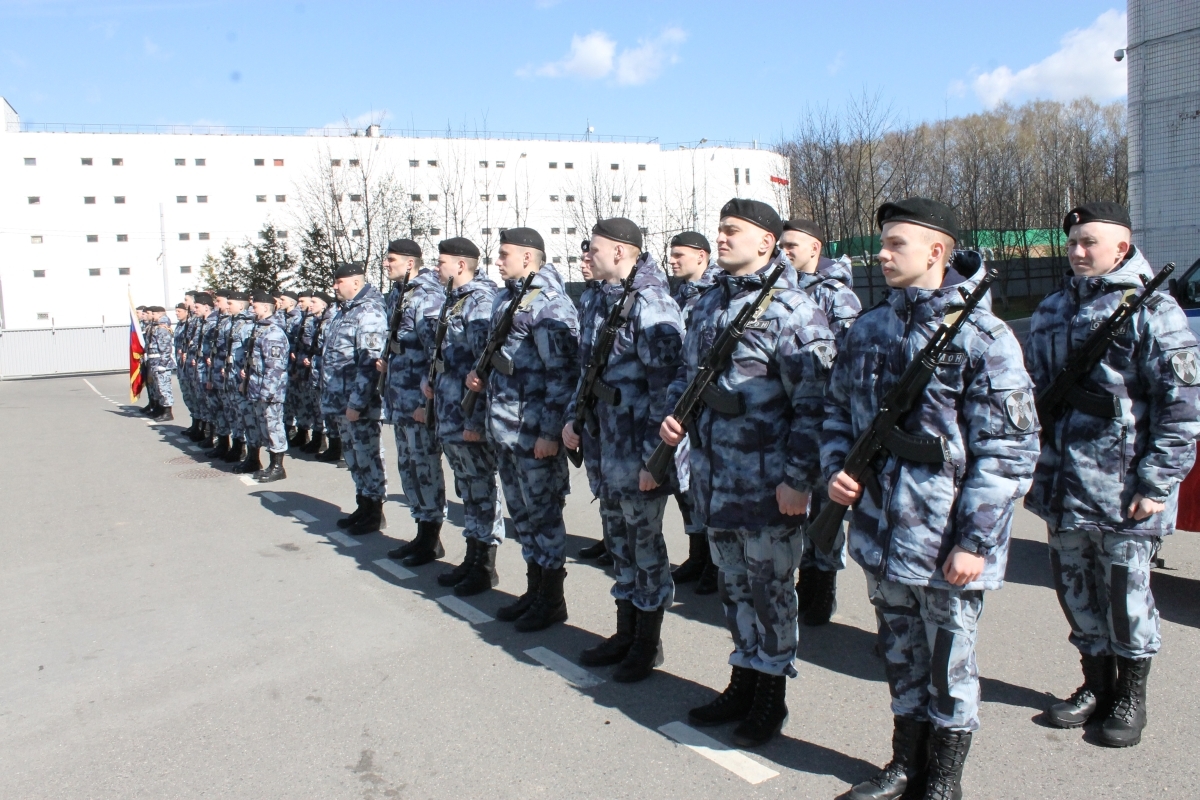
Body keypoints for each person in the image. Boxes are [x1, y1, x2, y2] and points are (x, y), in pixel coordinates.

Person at [823, 198, 1038, 800]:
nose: (883, 255)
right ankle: (904, 761)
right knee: (899, 650)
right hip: (880, 530)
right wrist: (836, 471)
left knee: (950, 661)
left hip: (947, 537)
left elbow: (1008, 451)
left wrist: (975, 540)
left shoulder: (984, 336)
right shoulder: (868, 327)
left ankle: (943, 778)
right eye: (883, 244)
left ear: (936, 252)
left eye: (897, 245)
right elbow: (837, 412)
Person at [659, 199, 834, 747]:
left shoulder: (792, 310)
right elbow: (687, 375)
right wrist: (673, 417)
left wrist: (799, 479)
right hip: (716, 478)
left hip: (768, 485)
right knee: (734, 589)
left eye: (732, 231)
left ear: (765, 242)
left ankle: (770, 697)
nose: (722, 238)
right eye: (720, 231)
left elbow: (814, 404)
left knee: (771, 592)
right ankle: (742, 678)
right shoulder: (710, 302)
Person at [1025, 202, 1200, 748]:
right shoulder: (1053, 308)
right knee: (1075, 589)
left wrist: (1156, 484)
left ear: (1121, 248)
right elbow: (1033, 393)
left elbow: (1181, 408)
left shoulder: (1154, 310)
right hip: (1062, 484)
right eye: (1073, 242)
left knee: (1126, 594)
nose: (1078, 252)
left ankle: (1130, 694)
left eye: (1090, 243)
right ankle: (1094, 683)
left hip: (1123, 487)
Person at [563, 218, 685, 682]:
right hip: (603, 446)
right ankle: (625, 631)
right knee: (618, 544)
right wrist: (574, 419)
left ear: (620, 252)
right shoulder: (598, 299)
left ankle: (646, 643)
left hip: (637, 453)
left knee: (645, 547)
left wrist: (656, 459)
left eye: (593, 249)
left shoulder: (652, 305)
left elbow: (669, 390)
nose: (586, 255)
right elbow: (587, 370)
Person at [465, 227, 579, 632]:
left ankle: (552, 599)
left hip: (534, 436)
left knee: (544, 516)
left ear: (528, 258)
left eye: (505, 254)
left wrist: (550, 433)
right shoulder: (507, 298)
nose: (498, 261)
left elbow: (563, 375)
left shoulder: (550, 304)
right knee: (524, 516)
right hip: (507, 432)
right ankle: (534, 591)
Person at [779, 218, 864, 627]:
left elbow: (848, 358)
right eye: (782, 245)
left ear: (815, 248)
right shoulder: (781, 292)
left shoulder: (836, 296)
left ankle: (822, 585)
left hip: (829, 414)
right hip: (796, 413)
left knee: (825, 507)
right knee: (800, 504)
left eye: (793, 245)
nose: (785, 251)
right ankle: (804, 580)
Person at [428, 237, 506, 596]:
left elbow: (482, 367)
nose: (436, 266)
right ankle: (472, 556)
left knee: (481, 488)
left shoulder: (479, 302)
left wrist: (475, 422)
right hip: (449, 409)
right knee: (468, 489)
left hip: (467, 415)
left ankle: (485, 564)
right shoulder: (454, 300)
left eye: (442, 261)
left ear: (461, 265)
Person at [374, 239, 448, 565]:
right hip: (399, 400)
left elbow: (438, 353)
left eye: (391, 260)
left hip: (418, 402)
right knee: (408, 467)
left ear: (409, 263)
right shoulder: (398, 295)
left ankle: (431, 538)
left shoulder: (428, 297)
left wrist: (425, 402)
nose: (385, 264)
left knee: (425, 467)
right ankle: (422, 532)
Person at [665, 231, 722, 595]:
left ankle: (714, 563)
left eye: (679, 255)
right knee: (685, 485)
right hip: (682, 401)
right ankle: (697, 553)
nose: (672, 261)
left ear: (701, 257)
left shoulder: (715, 295)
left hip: (704, 407)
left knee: (702, 484)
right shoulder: (681, 294)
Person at [322, 262, 389, 533]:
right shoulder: (344, 311)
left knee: (367, 455)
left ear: (356, 282)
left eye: (340, 282)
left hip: (358, 404)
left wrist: (357, 403)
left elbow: (369, 362)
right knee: (352, 456)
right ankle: (363, 505)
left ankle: (374, 511)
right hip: (341, 401)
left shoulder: (369, 312)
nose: (335, 287)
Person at [573, 254, 615, 568]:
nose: (585, 263)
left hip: (616, 410)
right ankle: (610, 538)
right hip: (591, 400)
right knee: (598, 476)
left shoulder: (621, 298)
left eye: (591, 257)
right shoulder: (590, 297)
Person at [246, 290, 291, 482]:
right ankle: (271, 464)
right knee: (264, 427)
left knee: (274, 427)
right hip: (258, 387)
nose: (252, 309)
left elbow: (275, 367)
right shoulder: (261, 328)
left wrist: (268, 392)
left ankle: (278, 467)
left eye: (255, 306)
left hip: (269, 390)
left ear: (265, 307)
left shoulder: (273, 332)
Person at [223, 291, 256, 467]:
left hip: (241, 376)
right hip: (231, 374)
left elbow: (249, 352)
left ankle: (251, 455)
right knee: (234, 412)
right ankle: (237, 446)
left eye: (231, 303)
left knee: (246, 415)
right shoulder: (232, 323)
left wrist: (245, 374)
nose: (227, 307)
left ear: (241, 305)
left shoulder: (248, 325)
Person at [144, 308, 176, 421]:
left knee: (164, 388)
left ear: (158, 314)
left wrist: (163, 363)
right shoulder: (155, 326)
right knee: (158, 388)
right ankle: (160, 409)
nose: (151, 315)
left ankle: (167, 412)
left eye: (153, 313)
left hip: (160, 362)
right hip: (154, 362)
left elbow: (166, 348)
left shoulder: (162, 328)